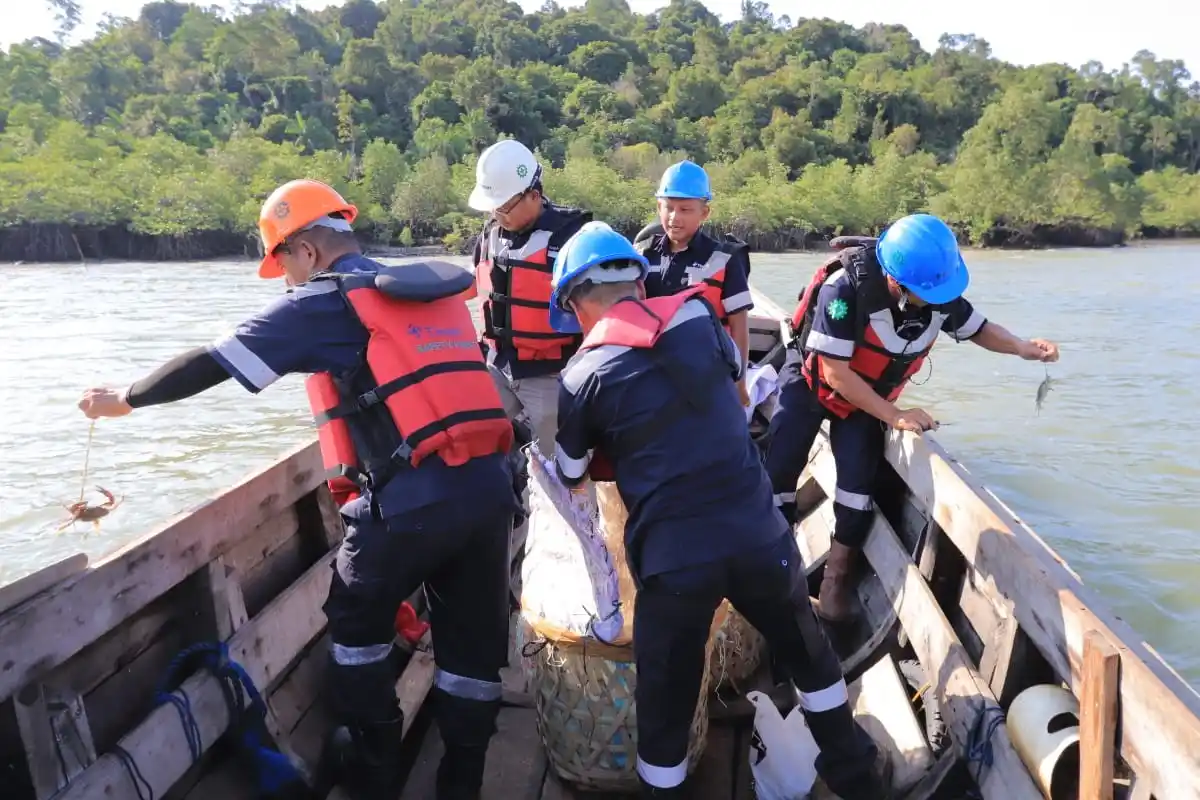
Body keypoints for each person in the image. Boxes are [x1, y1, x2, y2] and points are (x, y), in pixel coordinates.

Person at [77, 179, 520, 800]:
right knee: (472, 663)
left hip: (414, 506)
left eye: (282, 262)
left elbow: (215, 359)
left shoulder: (324, 301)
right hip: (488, 489)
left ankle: (374, 773)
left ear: (306, 250)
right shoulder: (413, 289)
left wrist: (124, 399)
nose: (283, 278)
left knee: (353, 628)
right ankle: (461, 785)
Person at [547, 222, 889, 799]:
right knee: (807, 650)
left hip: (675, 563)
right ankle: (853, 771)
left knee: (667, 697)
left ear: (577, 302)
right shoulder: (699, 319)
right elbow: (726, 386)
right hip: (759, 535)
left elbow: (572, 474)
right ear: (639, 282)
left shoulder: (582, 376)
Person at [767, 214, 1060, 624]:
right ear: (896, 283)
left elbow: (979, 329)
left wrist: (1023, 347)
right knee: (777, 476)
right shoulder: (844, 290)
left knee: (856, 495)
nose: (940, 300)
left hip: (864, 402)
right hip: (812, 384)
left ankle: (835, 582)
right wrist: (895, 415)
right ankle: (773, 569)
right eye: (929, 293)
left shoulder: (937, 294)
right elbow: (834, 371)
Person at [465, 138, 593, 605]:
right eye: (492, 207)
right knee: (475, 452)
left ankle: (578, 567)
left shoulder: (573, 236)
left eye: (502, 206)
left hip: (550, 374)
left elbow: (602, 309)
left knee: (564, 476)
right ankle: (495, 546)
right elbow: (476, 292)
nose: (496, 214)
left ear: (532, 195)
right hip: (497, 368)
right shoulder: (490, 234)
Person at [632, 159, 754, 406]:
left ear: (704, 213)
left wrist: (739, 381)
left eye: (685, 209)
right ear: (659, 207)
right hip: (650, 370)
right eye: (669, 208)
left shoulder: (725, 259)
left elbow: (739, 325)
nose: (675, 217)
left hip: (706, 372)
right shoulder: (641, 254)